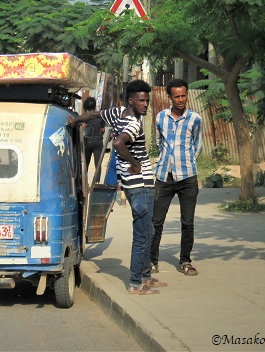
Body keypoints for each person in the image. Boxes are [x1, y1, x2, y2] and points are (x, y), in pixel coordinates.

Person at [69, 80, 164, 295]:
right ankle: (135, 283)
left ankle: (146, 276)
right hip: (139, 184)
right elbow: (120, 143)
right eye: (141, 100)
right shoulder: (134, 124)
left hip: (140, 184)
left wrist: (75, 121)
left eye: (147, 100)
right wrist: (135, 163)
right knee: (142, 233)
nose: (146, 104)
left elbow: (94, 114)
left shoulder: (117, 113)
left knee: (148, 230)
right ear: (131, 101)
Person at [150, 78, 203, 277]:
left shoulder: (195, 119)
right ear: (169, 97)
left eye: (183, 95)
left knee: (187, 222)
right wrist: (167, 160)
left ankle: (185, 261)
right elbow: (158, 142)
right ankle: (152, 260)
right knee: (156, 221)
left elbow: (198, 145)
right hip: (164, 176)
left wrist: (186, 161)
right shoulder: (160, 117)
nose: (181, 100)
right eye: (176, 96)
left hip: (188, 177)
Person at [82, 96, 105, 174]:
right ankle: (97, 182)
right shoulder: (100, 116)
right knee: (98, 163)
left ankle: (84, 181)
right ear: (95, 106)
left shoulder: (85, 117)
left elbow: (83, 128)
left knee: (86, 163)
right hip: (98, 141)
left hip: (88, 141)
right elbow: (103, 130)